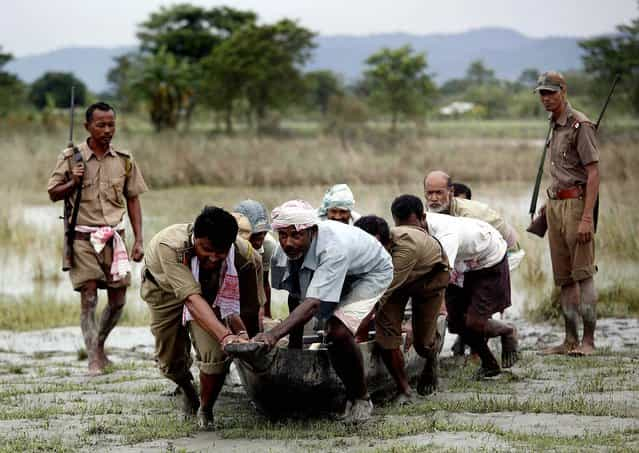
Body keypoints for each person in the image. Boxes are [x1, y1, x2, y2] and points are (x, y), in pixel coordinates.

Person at [254, 200, 393, 422]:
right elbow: (295, 296)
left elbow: (312, 303)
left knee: (337, 333)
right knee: (323, 325)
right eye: (282, 235)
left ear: (312, 231)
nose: (288, 243)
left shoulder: (332, 249)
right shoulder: (283, 253)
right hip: (341, 269)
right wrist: (295, 351)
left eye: (295, 235)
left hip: (370, 273)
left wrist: (273, 334)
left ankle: (360, 397)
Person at [47, 102, 147, 376]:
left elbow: (133, 200)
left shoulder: (125, 160)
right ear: (87, 127)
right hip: (82, 238)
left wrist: (139, 240)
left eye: (111, 124)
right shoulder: (71, 157)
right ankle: (93, 358)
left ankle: (100, 345)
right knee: (89, 297)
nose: (107, 130)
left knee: (118, 301)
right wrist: (73, 183)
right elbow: (53, 193)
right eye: (100, 125)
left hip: (115, 238)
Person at [140, 206, 261, 429]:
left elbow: (250, 307)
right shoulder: (172, 246)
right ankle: (187, 389)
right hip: (164, 292)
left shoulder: (243, 253)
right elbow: (191, 299)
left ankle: (205, 410)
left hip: (208, 291)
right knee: (169, 361)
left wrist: (251, 341)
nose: (214, 257)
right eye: (207, 249)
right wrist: (226, 336)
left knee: (215, 356)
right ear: (196, 238)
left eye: (221, 251)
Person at [534, 71, 600, 356]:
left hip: (576, 205)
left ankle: (588, 342)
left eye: (551, 92)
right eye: (542, 93)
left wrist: (587, 217)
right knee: (563, 278)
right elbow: (560, 170)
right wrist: (548, 201)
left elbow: (593, 172)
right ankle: (569, 340)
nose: (546, 98)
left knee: (583, 274)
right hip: (555, 205)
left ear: (563, 90)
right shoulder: (553, 125)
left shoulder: (580, 124)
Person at [417, 195, 518, 379]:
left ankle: (507, 330)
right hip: (462, 264)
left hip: (487, 261)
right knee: (456, 323)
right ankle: (490, 365)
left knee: (474, 322)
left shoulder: (446, 234)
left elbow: (441, 275)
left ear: (423, 218)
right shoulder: (412, 231)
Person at [355, 210, 449, 402]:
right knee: (386, 336)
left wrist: (359, 328)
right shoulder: (365, 247)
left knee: (422, 344)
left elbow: (380, 294)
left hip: (429, 279)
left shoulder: (406, 249)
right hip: (395, 283)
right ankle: (404, 389)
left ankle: (431, 358)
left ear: (385, 242)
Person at [233, 199, 278, 320]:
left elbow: (263, 283)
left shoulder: (269, 245)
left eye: (263, 234)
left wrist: (267, 316)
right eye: (254, 236)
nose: (259, 242)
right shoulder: (231, 244)